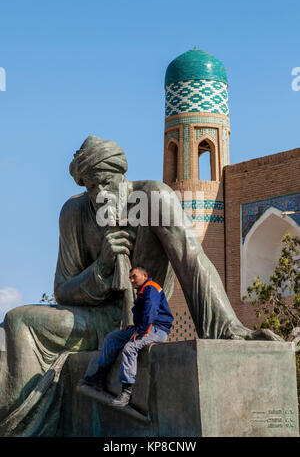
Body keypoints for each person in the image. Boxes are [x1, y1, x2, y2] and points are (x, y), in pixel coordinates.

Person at [0, 135, 282, 436]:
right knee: (18, 321)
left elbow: (192, 261)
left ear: (122, 175)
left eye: (106, 182)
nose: (99, 193)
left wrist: (229, 328)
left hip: (137, 318)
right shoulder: (75, 212)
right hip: (94, 319)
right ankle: (21, 428)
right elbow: (63, 291)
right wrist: (102, 268)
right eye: (91, 186)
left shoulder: (153, 199)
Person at [82, 266, 173, 407]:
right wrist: (135, 327)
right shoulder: (142, 290)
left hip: (157, 329)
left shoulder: (151, 287)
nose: (131, 280)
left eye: (134, 276)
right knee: (112, 338)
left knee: (130, 348)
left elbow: (151, 311)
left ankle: (126, 392)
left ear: (144, 275)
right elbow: (143, 314)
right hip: (144, 327)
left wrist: (142, 330)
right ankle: (99, 377)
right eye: (130, 278)